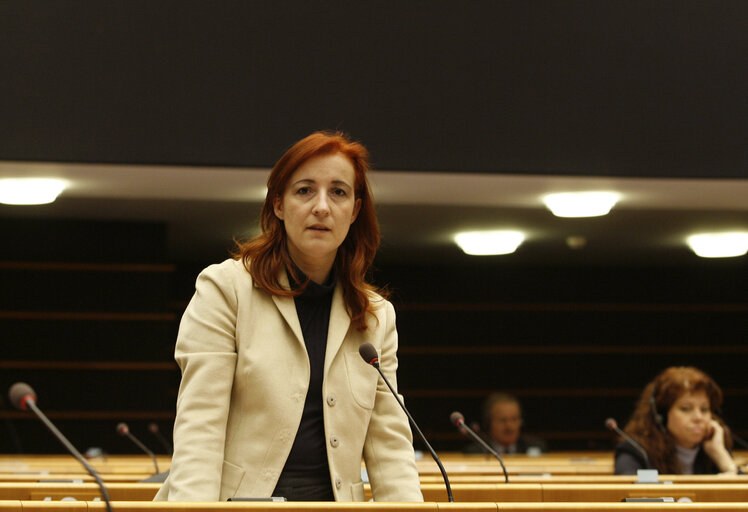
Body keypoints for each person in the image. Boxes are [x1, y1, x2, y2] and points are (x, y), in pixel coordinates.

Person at [154, 132, 423, 502]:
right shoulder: (225, 289)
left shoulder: (376, 317)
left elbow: (390, 447)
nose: (322, 207)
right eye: (305, 191)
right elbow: (200, 427)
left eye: (339, 192)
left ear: (355, 211)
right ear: (278, 204)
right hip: (239, 507)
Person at [614, 366, 740, 475]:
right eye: (686, 409)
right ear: (661, 415)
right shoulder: (636, 451)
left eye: (704, 409)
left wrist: (722, 457)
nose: (698, 417)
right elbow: (626, 494)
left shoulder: (714, 449)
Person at [464, 392, 547, 455]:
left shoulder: (537, 447)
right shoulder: (475, 453)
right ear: (488, 423)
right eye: (502, 420)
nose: (509, 426)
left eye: (514, 419)